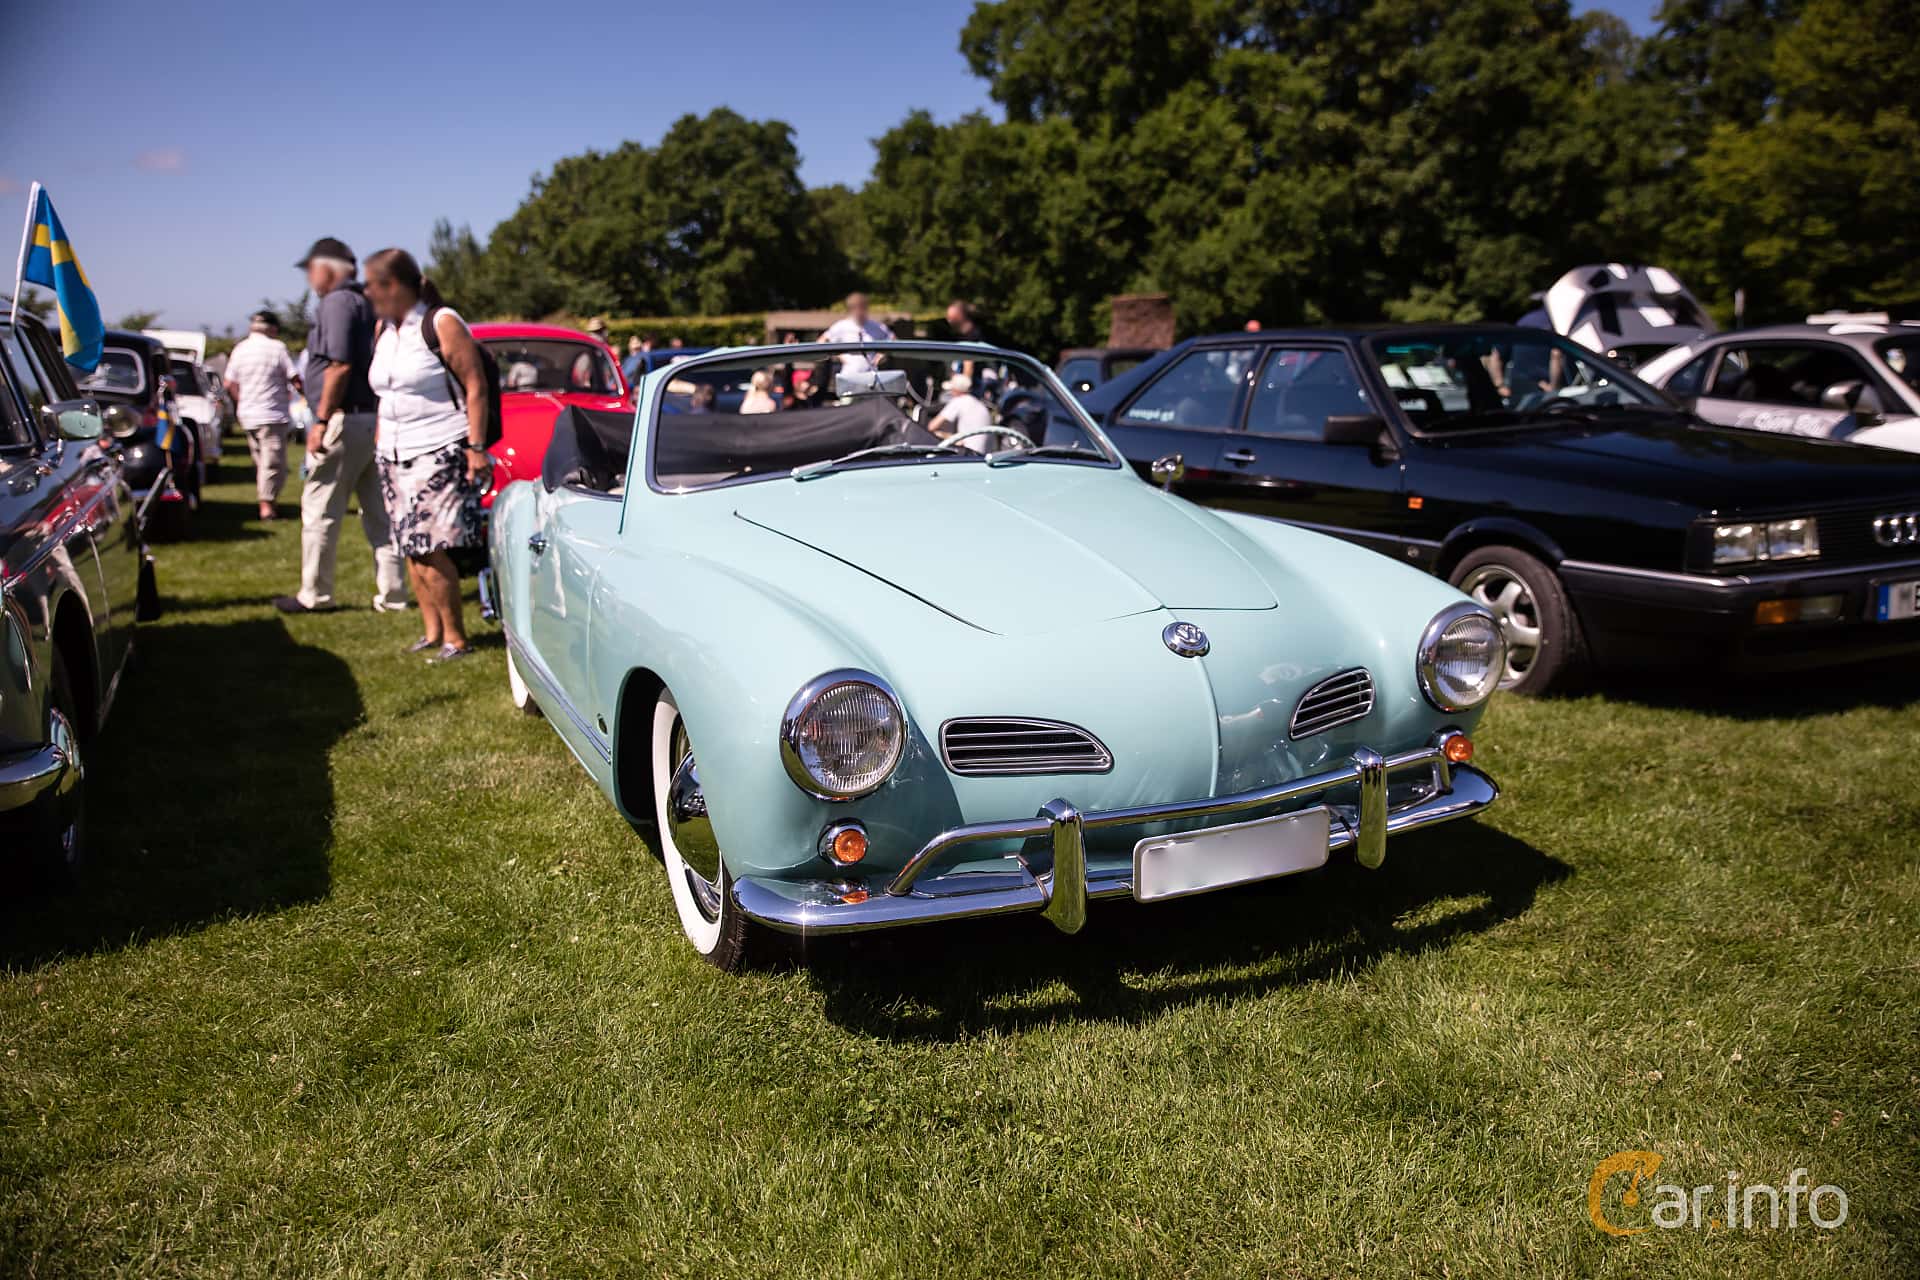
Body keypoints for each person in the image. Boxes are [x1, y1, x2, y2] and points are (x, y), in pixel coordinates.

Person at [362, 248, 491, 663]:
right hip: (393, 454)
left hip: (438, 449)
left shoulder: (440, 322)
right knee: (409, 548)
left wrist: (476, 448)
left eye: (372, 284)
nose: (367, 292)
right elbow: (386, 393)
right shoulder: (386, 329)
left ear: (393, 286)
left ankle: (456, 637)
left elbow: (476, 386)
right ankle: (432, 631)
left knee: (431, 546)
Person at [275, 238, 407, 615]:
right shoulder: (368, 301)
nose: (310, 279)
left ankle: (314, 594)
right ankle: (393, 594)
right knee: (379, 515)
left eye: (311, 269)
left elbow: (339, 364)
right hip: (369, 417)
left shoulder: (336, 302)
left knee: (320, 509)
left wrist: (320, 419)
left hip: (342, 418)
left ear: (327, 268)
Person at [223, 309, 299, 520]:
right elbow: (294, 377)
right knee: (273, 463)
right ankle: (266, 507)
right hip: (271, 413)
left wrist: (242, 401)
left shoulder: (240, 349)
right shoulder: (277, 348)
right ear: (273, 328)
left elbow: (230, 383)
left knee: (262, 461)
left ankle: (268, 501)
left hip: (248, 414)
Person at [821, 292, 893, 371]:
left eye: (862, 307)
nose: (859, 311)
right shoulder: (841, 326)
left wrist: (882, 354)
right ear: (850, 309)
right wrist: (838, 355)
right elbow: (822, 342)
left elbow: (893, 340)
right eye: (855, 308)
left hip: (872, 375)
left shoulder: (877, 327)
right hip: (848, 375)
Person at [928, 373, 995, 451]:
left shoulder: (958, 401)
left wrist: (948, 436)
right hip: (984, 455)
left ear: (956, 390)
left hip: (969, 455)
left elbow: (931, 426)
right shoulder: (980, 404)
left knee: (937, 433)